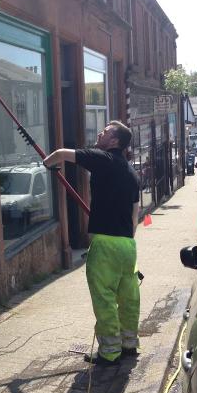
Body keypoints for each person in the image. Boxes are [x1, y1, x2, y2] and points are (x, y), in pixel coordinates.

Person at [43, 121, 140, 366]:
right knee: (128, 296)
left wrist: (47, 163)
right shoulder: (131, 172)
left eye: (106, 131)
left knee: (104, 297)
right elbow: (134, 213)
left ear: (115, 141)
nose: (100, 133)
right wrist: (127, 238)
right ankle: (129, 344)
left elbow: (63, 154)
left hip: (106, 245)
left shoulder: (103, 158)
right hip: (128, 246)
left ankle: (109, 352)